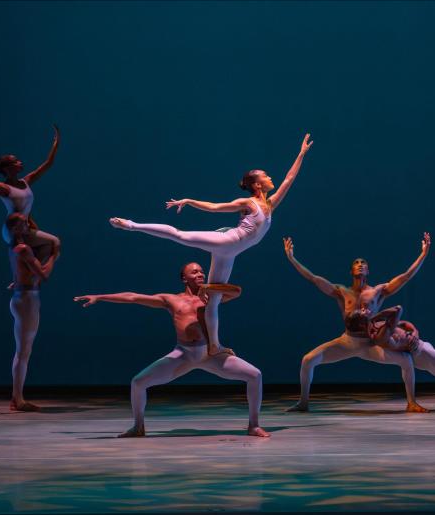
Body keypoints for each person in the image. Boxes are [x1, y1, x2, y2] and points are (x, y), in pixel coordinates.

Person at [110, 134, 313, 357]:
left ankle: (214, 345)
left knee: (213, 299)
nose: (270, 177)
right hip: (227, 241)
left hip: (231, 253)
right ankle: (131, 225)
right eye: (265, 176)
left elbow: (288, 179)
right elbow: (216, 207)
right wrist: (189, 201)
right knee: (180, 235)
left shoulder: (270, 204)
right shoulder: (248, 203)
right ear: (256, 184)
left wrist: (301, 153)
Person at [73, 263, 268, 438]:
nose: (200, 274)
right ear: (184, 278)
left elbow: (236, 291)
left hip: (210, 354)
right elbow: (133, 297)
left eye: (202, 271)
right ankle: (138, 426)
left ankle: (253, 425)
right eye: (194, 272)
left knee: (255, 375)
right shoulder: (172, 300)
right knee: (138, 382)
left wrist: (210, 288)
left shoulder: (211, 298)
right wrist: (99, 297)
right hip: (183, 355)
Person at [283, 234, 430, 413]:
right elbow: (313, 278)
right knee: (307, 360)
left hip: (370, 343)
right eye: (357, 263)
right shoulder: (342, 291)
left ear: (368, 271)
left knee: (406, 360)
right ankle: (303, 402)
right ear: (352, 271)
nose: (360, 265)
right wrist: (292, 258)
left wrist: (423, 254)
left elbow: (406, 276)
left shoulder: (378, 291)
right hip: (347, 342)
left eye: (364, 264)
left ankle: (411, 402)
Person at [0, 125, 61, 262]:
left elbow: (48, 164)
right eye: (16, 161)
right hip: (13, 229)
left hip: (24, 226)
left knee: (49, 248)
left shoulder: (26, 181)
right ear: (8, 168)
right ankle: (28, 276)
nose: (20, 162)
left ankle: (29, 276)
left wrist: (55, 145)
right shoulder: (2, 187)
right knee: (54, 242)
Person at [6, 212, 59, 411]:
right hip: (27, 300)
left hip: (22, 297)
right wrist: (54, 256)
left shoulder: (14, 246)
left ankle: (17, 397)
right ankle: (17, 399)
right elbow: (43, 275)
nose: (27, 226)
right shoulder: (24, 249)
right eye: (22, 224)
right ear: (13, 229)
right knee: (23, 352)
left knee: (23, 351)